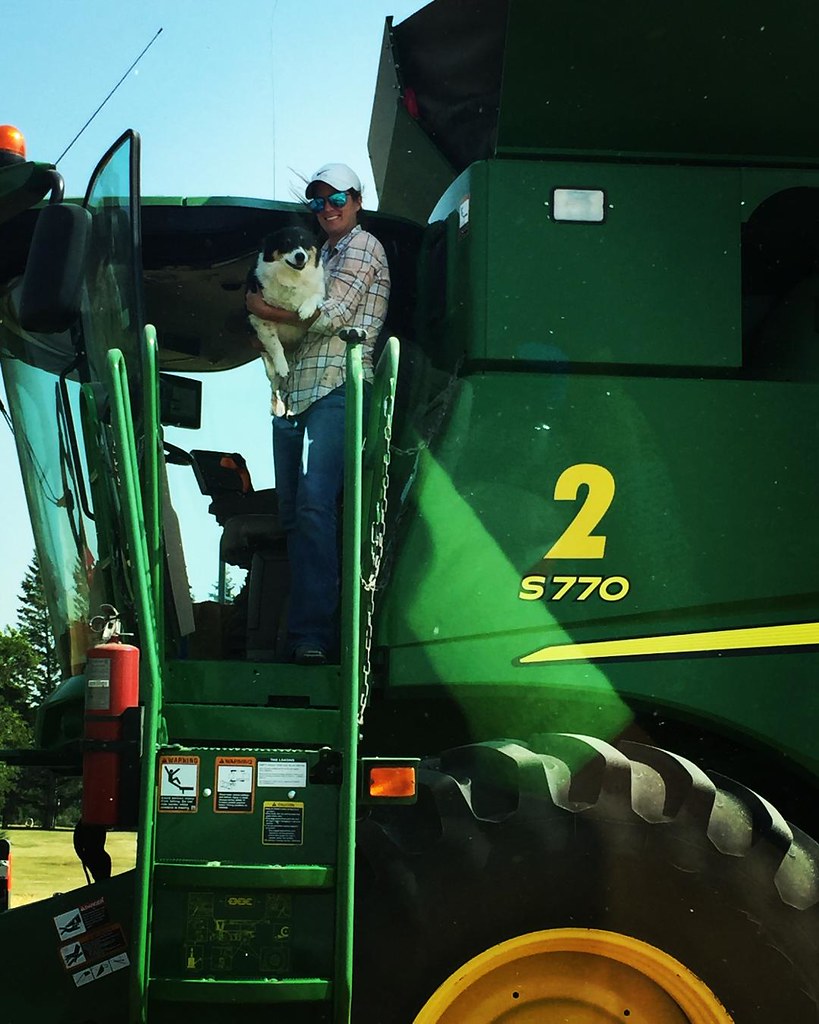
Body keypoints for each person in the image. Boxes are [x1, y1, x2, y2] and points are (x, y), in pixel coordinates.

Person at [245, 163, 391, 665]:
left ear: (357, 202)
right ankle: (292, 633)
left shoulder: (364, 246)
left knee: (314, 507)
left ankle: (316, 637)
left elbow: (332, 316)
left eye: (337, 199)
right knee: (292, 514)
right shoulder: (319, 253)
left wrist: (265, 312)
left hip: (336, 388)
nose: (327, 209)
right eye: (318, 202)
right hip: (292, 394)